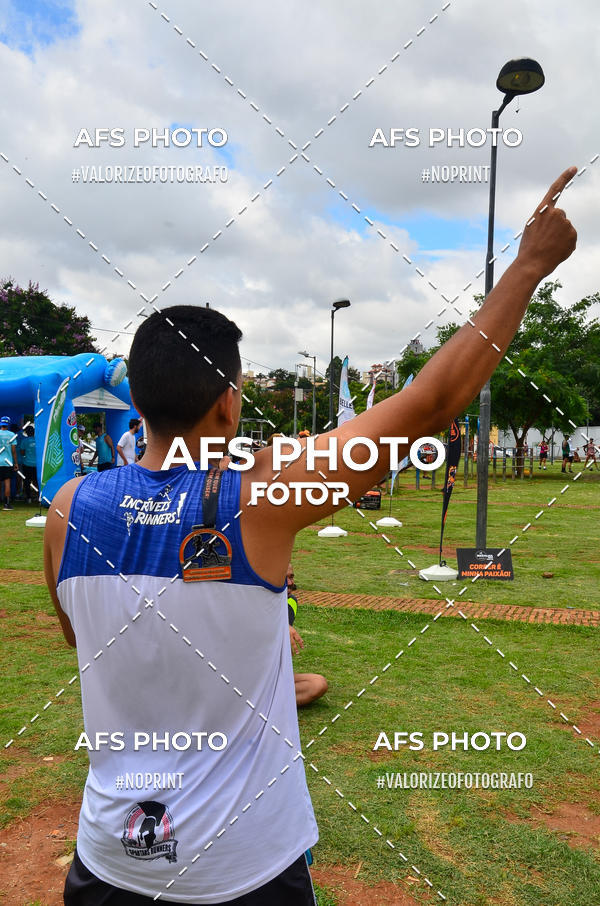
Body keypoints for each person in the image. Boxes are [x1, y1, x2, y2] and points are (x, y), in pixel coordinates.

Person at [43, 168, 577, 905]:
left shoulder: (70, 506)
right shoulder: (259, 496)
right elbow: (432, 403)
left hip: (110, 863)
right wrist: (529, 266)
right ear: (230, 406)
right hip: (245, 871)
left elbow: (85, 641)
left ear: (135, 399)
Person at [286, 564, 328, 707]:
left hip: (270, 680)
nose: (290, 583)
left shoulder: (290, 601)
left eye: (291, 577)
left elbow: (285, 624)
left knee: (318, 684)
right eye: (283, 578)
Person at [0, 415, 18, 509]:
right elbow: (13, 451)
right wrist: (16, 463)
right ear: (8, 424)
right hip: (8, 462)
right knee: (7, 483)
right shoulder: (12, 435)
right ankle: (7, 504)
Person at [19, 424, 38, 502]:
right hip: (37, 465)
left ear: (26, 433)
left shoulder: (24, 441)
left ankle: (28, 497)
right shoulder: (38, 440)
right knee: (36, 481)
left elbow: (22, 452)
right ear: (34, 432)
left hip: (27, 464)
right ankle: (37, 496)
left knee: (27, 481)